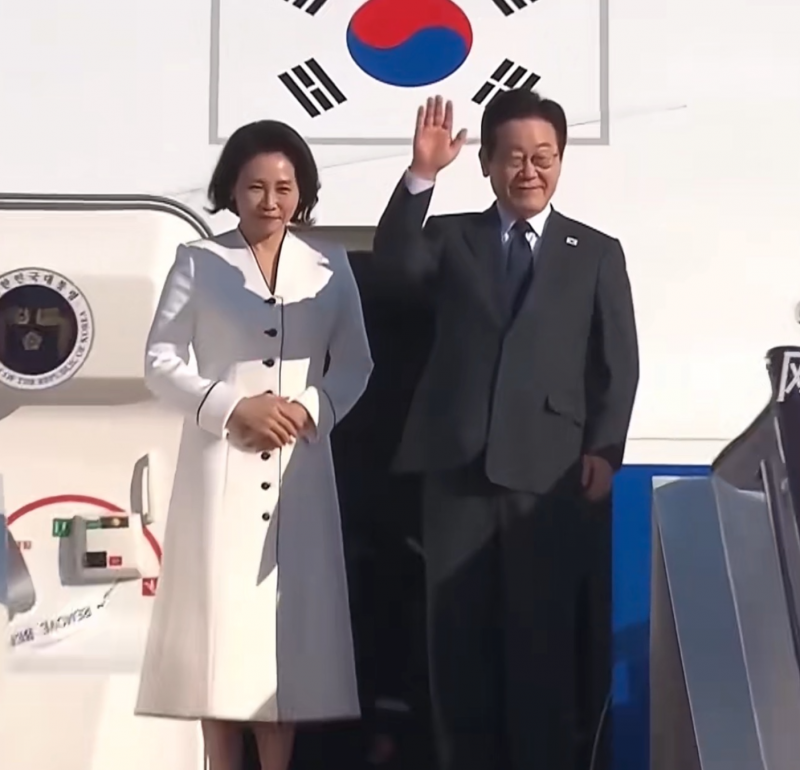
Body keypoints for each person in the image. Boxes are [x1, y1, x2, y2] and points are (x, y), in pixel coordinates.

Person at [373, 90, 640, 770]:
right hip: (456, 470)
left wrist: (605, 450)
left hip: (549, 475)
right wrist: (421, 175)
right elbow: (395, 268)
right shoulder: (450, 237)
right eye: (515, 157)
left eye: (544, 157)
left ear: (561, 162)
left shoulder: (595, 252)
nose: (530, 171)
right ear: (487, 162)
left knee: (540, 647)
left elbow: (617, 363)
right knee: (457, 648)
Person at [135, 119, 374, 770]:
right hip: (220, 472)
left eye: (284, 187)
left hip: (300, 471)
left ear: (302, 193)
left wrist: (308, 409)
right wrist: (230, 406)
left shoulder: (330, 264)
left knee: (285, 643)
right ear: (232, 190)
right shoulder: (199, 261)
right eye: (256, 186)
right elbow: (160, 359)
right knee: (219, 643)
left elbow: (355, 363)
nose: (270, 201)